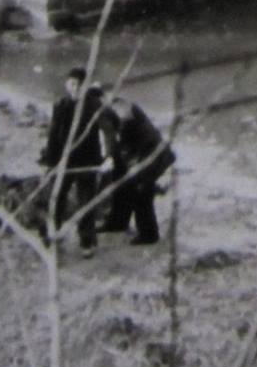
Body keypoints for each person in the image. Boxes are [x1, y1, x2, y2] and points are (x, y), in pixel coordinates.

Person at [41, 68, 106, 255]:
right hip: (64, 160)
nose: (75, 88)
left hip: (88, 160)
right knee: (56, 198)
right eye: (72, 84)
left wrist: (108, 156)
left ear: (86, 86)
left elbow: (108, 129)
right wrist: (50, 162)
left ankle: (87, 242)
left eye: (79, 85)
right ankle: (51, 236)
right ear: (66, 85)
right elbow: (53, 134)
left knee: (86, 202)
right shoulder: (60, 105)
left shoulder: (94, 105)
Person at [102, 95, 173, 246]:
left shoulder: (125, 115)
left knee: (142, 193)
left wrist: (122, 160)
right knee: (121, 184)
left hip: (152, 157)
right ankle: (118, 222)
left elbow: (131, 143)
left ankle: (149, 235)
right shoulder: (118, 110)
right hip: (141, 152)